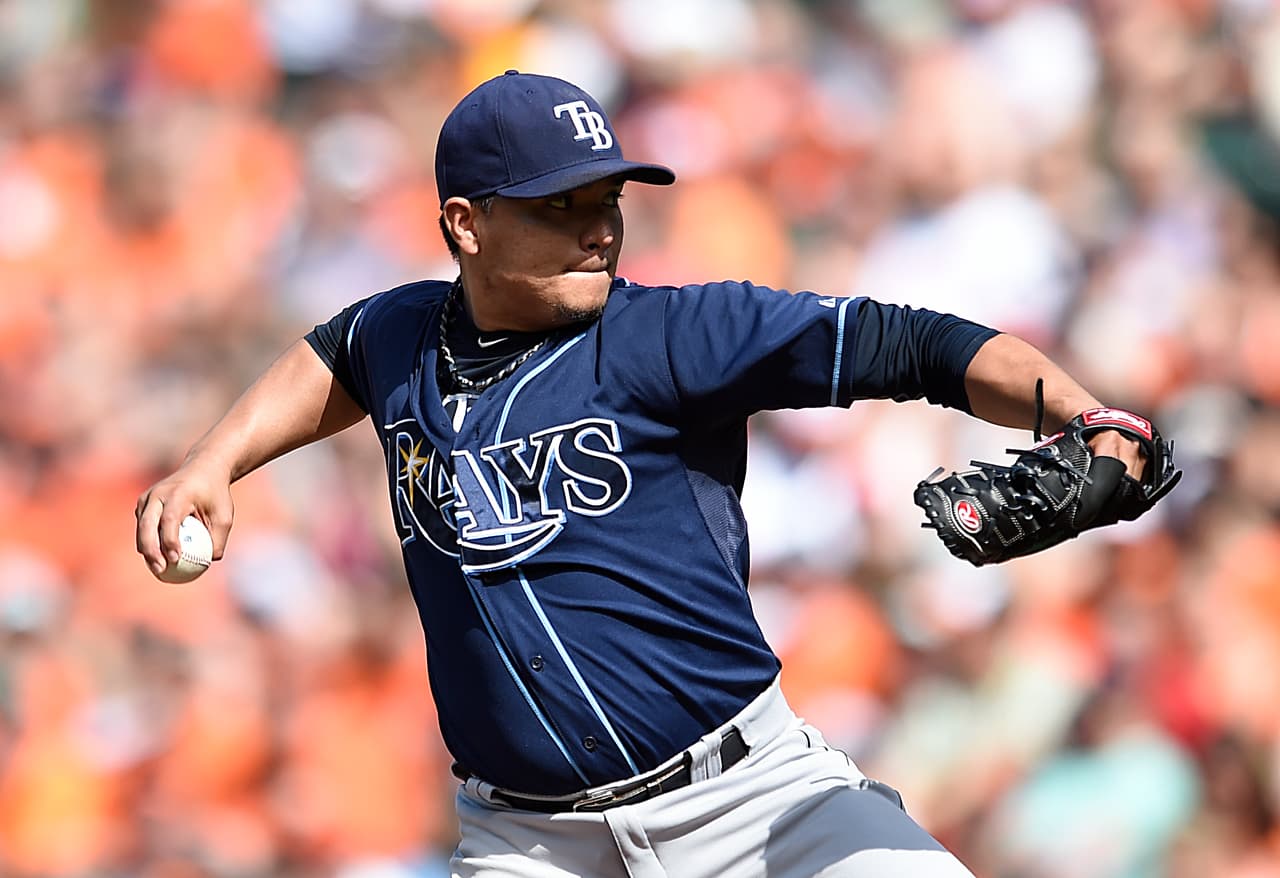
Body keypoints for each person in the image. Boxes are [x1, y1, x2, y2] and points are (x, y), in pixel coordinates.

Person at [136, 71, 1150, 877]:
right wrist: (214, 461)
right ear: (464, 223)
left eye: (607, 199)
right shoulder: (400, 331)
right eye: (559, 205)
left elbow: (904, 342)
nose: (599, 227)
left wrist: (1087, 416)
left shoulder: (675, 332)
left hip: (752, 805)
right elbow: (331, 355)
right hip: (530, 845)